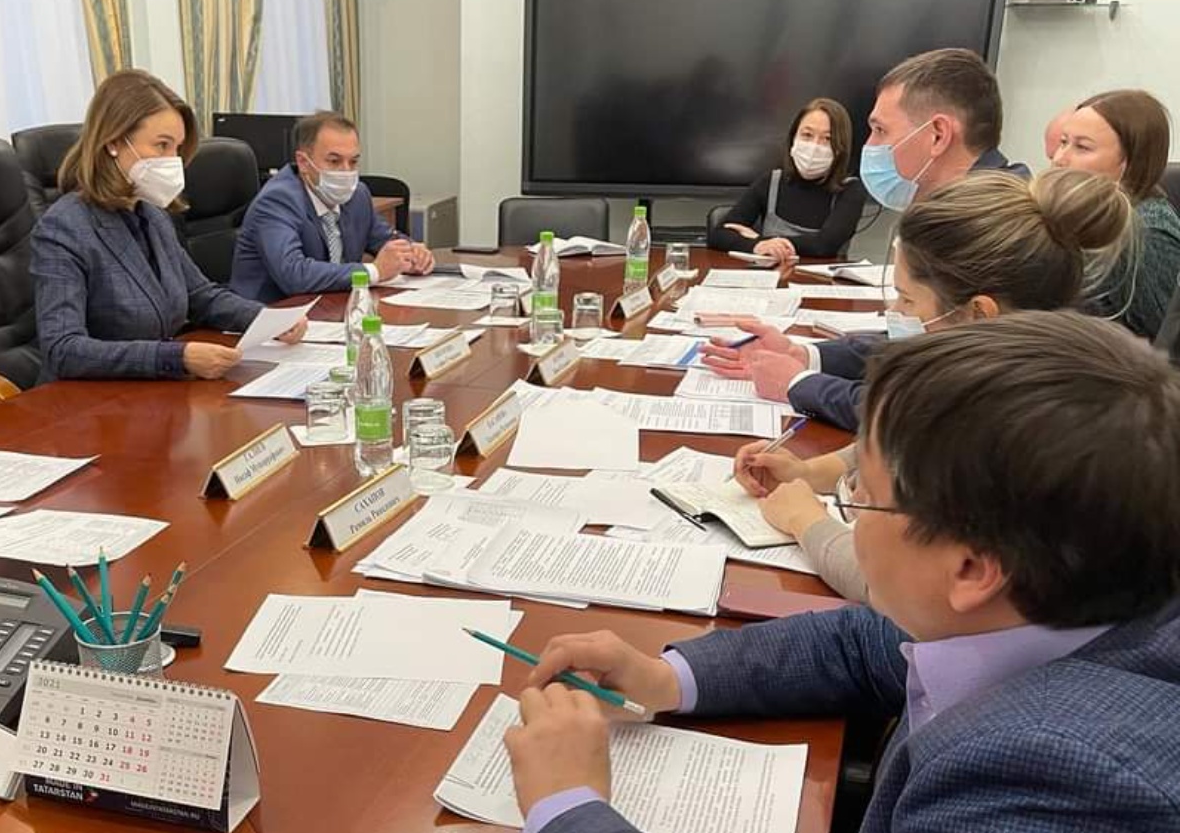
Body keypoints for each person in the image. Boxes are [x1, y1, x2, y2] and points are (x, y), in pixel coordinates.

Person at [504, 311, 1180, 833]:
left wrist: (568, 807)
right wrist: (665, 677)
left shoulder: (1054, 782)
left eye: (860, 493)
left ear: (973, 568)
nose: (844, 510)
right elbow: (862, 644)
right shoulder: (1056, 604)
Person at [703, 169, 1129, 432]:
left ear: (979, 312)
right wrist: (803, 354)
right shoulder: (1013, 341)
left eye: (906, 300)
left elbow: (900, 411)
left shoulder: (1020, 405)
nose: (895, 314)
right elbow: (895, 348)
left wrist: (797, 383)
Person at [32, 70, 304, 383]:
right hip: (88, 400)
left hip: (152, 390)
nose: (173, 160)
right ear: (114, 142)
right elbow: (63, 349)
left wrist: (267, 320)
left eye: (177, 147)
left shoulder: (152, 214)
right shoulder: (64, 227)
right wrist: (176, 357)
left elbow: (201, 295)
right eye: (162, 145)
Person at [229, 111, 433, 303]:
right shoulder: (277, 201)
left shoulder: (358, 194)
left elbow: (384, 238)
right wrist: (374, 271)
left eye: (353, 162)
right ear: (303, 162)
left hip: (332, 308)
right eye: (334, 161)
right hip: (272, 315)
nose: (346, 172)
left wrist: (411, 253)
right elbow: (293, 274)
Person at [1051, 88, 1180, 340]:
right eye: (1063, 142)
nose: (1059, 159)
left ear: (1130, 162)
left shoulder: (1147, 236)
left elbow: (1169, 346)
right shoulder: (1078, 217)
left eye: (1082, 147)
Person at [857, 48, 1027, 212]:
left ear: (939, 136)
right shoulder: (989, 211)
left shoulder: (988, 226)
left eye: (880, 130)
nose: (869, 145)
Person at [706, 98, 868, 260]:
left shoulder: (850, 190)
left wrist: (759, 239)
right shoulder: (771, 181)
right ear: (793, 139)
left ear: (840, 148)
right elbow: (718, 235)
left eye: (827, 139)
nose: (814, 146)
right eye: (807, 135)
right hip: (771, 274)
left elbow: (824, 246)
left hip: (820, 276)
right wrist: (758, 246)